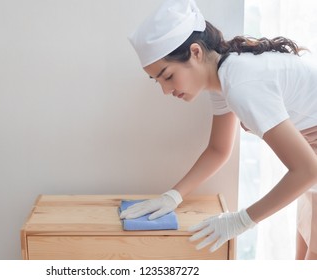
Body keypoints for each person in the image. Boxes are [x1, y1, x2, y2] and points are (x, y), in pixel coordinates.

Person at [119, 0, 317, 259]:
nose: (166, 90)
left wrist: (241, 221)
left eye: (167, 76)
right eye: (157, 80)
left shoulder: (241, 83)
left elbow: (307, 170)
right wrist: (173, 196)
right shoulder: (225, 76)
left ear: (196, 52)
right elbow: (218, 149)